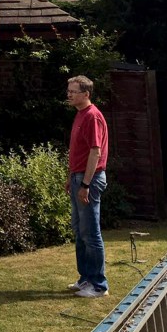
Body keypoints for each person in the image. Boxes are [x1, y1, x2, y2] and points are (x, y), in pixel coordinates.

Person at [66, 74, 109, 298]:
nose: (69, 94)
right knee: (79, 231)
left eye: (74, 91)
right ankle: (85, 279)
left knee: (91, 233)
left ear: (86, 94)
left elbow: (95, 152)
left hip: (89, 179)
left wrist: (85, 184)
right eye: (69, 90)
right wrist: (71, 178)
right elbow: (78, 151)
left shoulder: (92, 116)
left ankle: (99, 285)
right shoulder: (80, 115)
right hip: (77, 178)